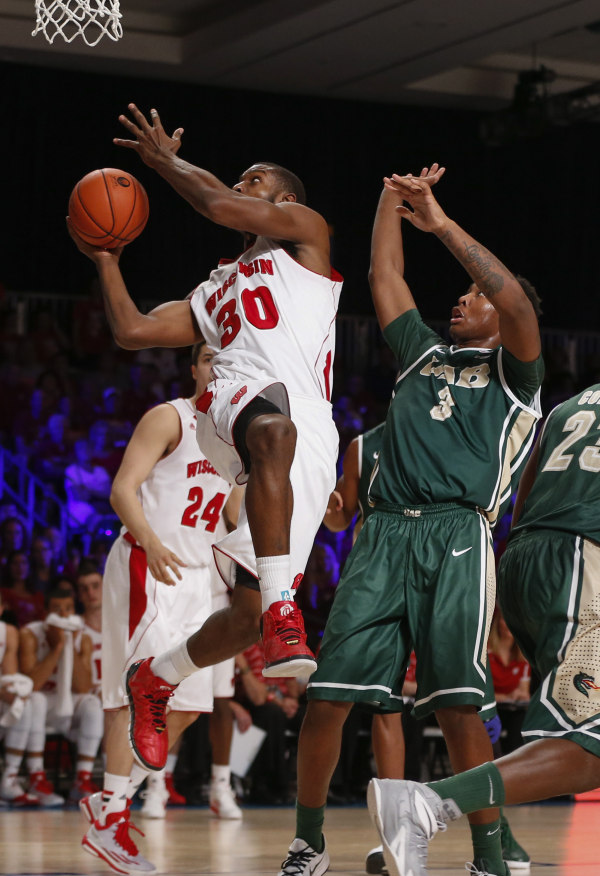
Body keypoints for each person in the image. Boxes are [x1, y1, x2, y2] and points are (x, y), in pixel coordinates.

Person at [278, 164, 544, 876]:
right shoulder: (421, 357)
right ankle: (308, 841)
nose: (462, 301)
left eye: (472, 297)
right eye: (460, 295)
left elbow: (513, 297)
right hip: (384, 535)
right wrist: (390, 201)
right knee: (329, 696)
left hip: (458, 535)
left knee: (458, 705)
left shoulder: (518, 379)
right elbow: (382, 275)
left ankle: (489, 852)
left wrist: (442, 223)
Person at [67, 103, 342, 769]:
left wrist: (166, 165)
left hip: (312, 435)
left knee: (242, 618)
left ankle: (157, 675)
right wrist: (108, 259)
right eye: (240, 178)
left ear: (284, 201)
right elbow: (132, 330)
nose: (241, 186)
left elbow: (220, 206)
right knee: (269, 425)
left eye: (254, 181)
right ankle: (286, 614)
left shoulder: (306, 235)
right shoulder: (212, 290)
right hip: (238, 406)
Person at [367, 379, 600, 876]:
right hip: (585, 557)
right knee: (588, 746)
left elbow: (527, 486)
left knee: (580, 732)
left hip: (525, 558)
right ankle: (429, 803)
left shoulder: (571, 404)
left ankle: (494, 845)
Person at [80, 340, 243, 875]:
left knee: (191, 705)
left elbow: (237, 512)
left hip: (199, 579)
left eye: (228, 360)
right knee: (134, 693)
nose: (218, 368)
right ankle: (111, 819)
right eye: (208, 359)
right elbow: (122, 489)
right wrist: (149, 541)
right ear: (193, 367)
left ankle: (110, 805)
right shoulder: (168, 417)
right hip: (147, 563)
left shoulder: (239, 438)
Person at [17, 584, 101, 807]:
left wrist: (69, 647)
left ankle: (82, 780)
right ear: (46, 614)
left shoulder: (82, 638)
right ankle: (36, 777)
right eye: (57, 610)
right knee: (36, 698)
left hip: (66, 704)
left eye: (69, 609)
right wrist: (56, 649)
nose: (64, 615)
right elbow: (31, 685)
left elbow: (83, 687)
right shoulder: (30, 635)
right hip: (38, 708)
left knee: (92, 703)